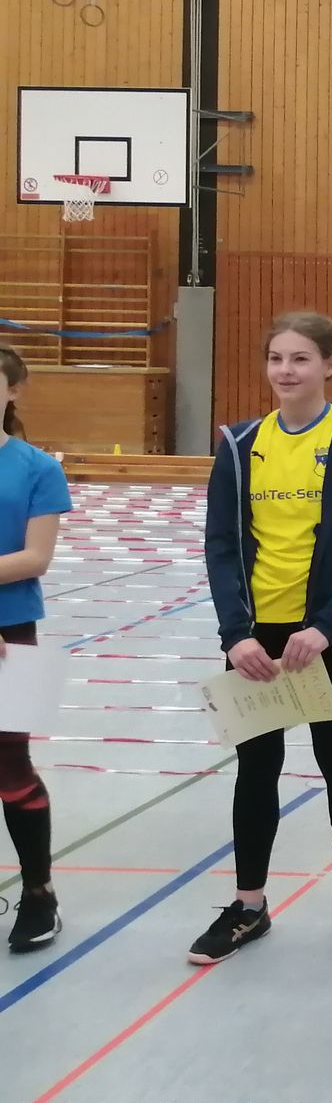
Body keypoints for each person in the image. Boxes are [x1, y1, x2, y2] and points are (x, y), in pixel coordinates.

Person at [192, 313, 332, 963]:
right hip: (256, 638)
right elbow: (221, 544)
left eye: (301, 358)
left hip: (325, 635)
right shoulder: (239, 443)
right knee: (257, 766)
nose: (286, 370)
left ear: (329, 364)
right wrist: (236, 635)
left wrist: (326, 627)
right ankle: (248, 905)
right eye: (276, 357)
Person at [0, 348, 69, 953]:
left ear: (13, 390)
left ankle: (39, 892)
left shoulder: (39, 468)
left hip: (14, 632)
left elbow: (35, 558)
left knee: (11, 765)